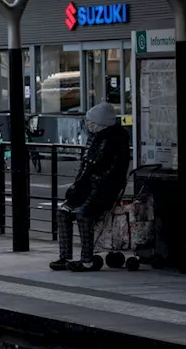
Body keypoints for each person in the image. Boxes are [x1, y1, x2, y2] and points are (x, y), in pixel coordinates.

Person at [52, 103, 130, 271]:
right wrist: (77, 187)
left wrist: (86, 186)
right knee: (63, 211)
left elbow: (108, 173)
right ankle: (64, 256)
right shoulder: (95, 138)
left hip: (103, 191)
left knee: (83, 213)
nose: (87, 124)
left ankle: (86, 260)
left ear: (99, 123)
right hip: (89, 188)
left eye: (90, 121)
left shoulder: (115, 140)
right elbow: (86, 168)